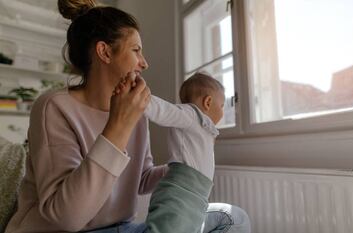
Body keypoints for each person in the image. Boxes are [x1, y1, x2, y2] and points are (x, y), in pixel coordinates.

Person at [5, 1, 249, 232]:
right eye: (136, 50)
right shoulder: (54, 107)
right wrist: (118, 125)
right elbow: (69, 217)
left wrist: (190, 161)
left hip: (119, 227)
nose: (144, 63)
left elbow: (141, 179)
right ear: (105, 52)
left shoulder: (137, 111)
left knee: (231, 218)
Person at [114, 72, 251, 233]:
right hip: (180, 195)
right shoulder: (191, 115)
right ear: (208, 102)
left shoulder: (204, 128)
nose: (222, 111)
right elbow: (164, 110)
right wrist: (139, 98)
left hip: (195, 198)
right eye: (221, 106)